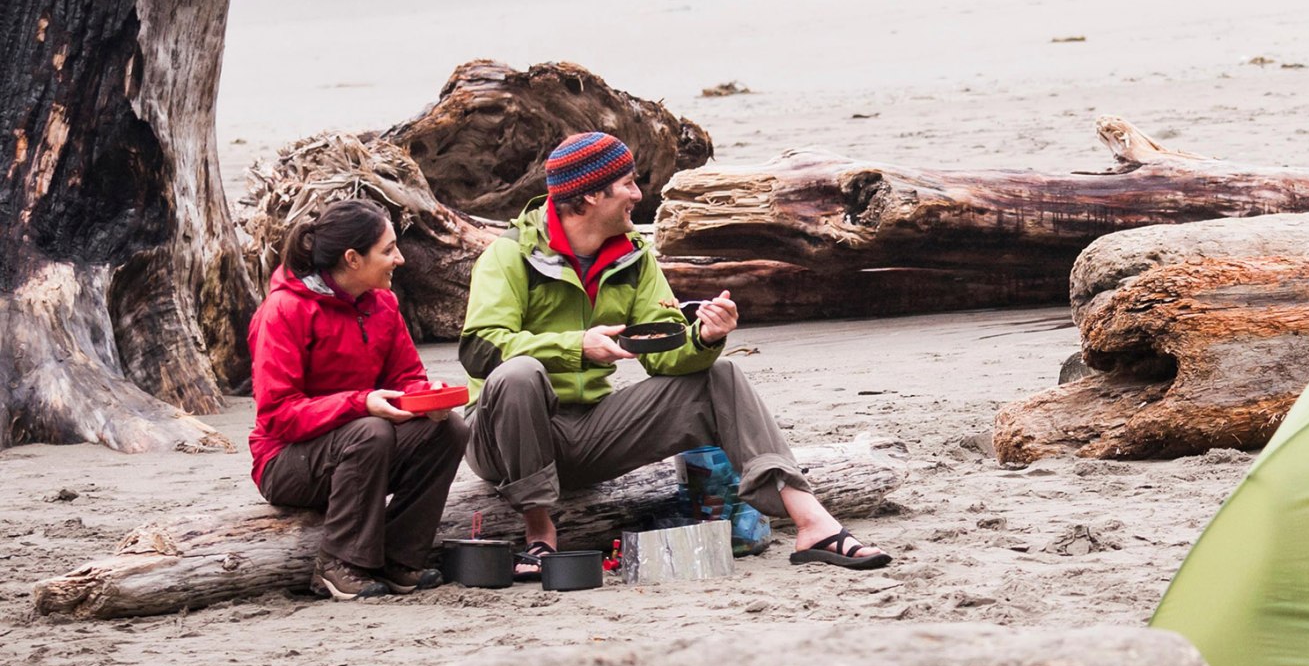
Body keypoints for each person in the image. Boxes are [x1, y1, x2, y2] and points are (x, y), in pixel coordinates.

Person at [459, 130, 888, 574]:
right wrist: (575, 347)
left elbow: (662, 348)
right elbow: (479, 350)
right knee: (520, 374)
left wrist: (702, 337)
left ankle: (812, 522)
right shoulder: (508, 255)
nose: (636, 194)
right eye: (626, 184)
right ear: (587, 197)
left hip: (584, 433)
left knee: (720, 376)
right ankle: (540, 531)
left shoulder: (633, 256)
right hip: (501, 440)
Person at [249, 200, 471, 600]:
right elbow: (278, 415)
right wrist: (361, 403)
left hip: (360, 451)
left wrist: (427, 400)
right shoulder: (284, 311)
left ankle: (399, 559)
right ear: (352, 258)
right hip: (285, 462)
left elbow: (406, 378)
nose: (399, 259)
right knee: (369, 431)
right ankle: (337, 564)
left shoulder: (382, 303)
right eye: (387, 250)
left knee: (448, 430)